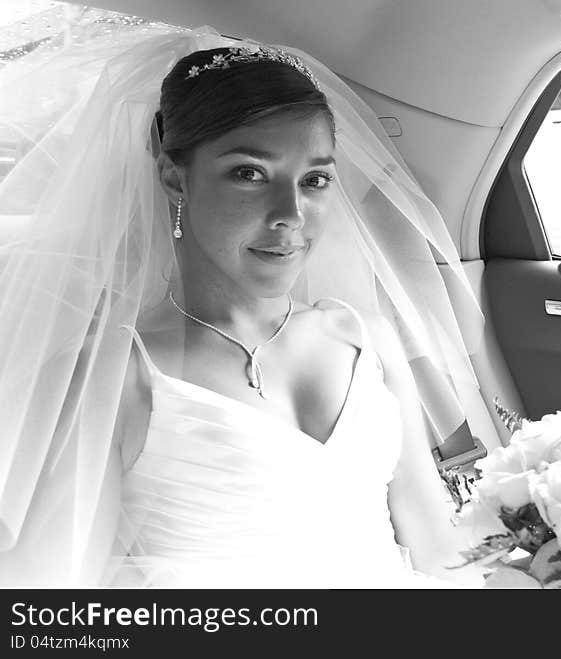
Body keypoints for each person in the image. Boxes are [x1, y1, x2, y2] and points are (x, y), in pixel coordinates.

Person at [0, 14, 486, 587]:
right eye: (250, 173)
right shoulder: (111, 375)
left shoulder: (365, 339)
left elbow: (440, 551)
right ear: (175, 177)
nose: (291, 215)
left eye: (315, 180)